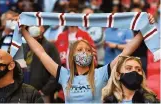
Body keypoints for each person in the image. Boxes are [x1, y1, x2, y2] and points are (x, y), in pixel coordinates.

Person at [21, 14, 155, 103]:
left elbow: (127, 50)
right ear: (72, 55)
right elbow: (40, 52)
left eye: (88, 50)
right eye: (79, 50)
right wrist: (24, 31)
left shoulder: (101, 73)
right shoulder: (63, 74)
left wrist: (144, 29)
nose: (84, 52)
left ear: (93, 55)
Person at [23, 26, 61, 103]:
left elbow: (56, 71)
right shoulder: (25, 46)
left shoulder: (49, 47)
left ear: (43, 29)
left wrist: (45, 91)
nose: (34, 27)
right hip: (25, 92)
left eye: (37, 25)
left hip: (42, 93)